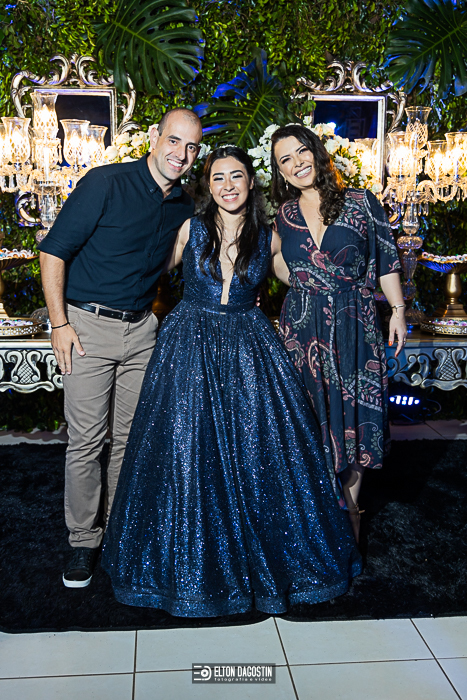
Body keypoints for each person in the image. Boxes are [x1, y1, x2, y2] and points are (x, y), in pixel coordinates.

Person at [101, 146, 361, 617]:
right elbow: (143, 268)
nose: (227, 186)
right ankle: (185, 566)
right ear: (208, 185)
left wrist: (356, 296)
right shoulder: (191, 228)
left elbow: (305, 281)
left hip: (249, 346)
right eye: (218, 177)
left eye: (236, 176)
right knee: (185, 451)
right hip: (189, 344)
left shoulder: (271, 237)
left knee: (260, 453)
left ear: (250, 182)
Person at [38, 108, 203, 588]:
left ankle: (117, 531)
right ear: (154, 137)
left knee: (130, 440)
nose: (181, 154)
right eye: (174, 141)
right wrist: (59, 323)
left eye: (191, 147)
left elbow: (177, 259)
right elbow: (53, 250)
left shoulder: (184, 205)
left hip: (142, 330)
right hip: (86, 328)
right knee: (87, 441)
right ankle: (83, 541)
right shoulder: (106, 183)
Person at [270, 124, 407, 542]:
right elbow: (276, 262)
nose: (297, 163)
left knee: (354, 417)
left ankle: (351, 515)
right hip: (301, 329)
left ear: (317, 151)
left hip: (353, 324)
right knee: (307, 419)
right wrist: (302, 281)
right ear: (280, 171)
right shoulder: (284, 214)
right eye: (285, 160)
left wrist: (398, 310)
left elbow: (386, 258)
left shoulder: (361, 202)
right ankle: (315, 519)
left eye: (301, 152)